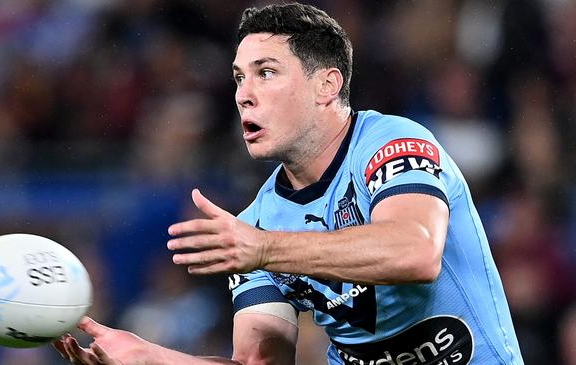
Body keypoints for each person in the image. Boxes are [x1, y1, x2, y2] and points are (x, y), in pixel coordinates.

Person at [55, 3, 524, 364]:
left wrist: (264, 250)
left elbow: (416, 251)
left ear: (327, 86)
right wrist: (155, 357)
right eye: (239, 77)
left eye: (267, 72)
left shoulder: (393, 142)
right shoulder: (253, 225)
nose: (244, 93)